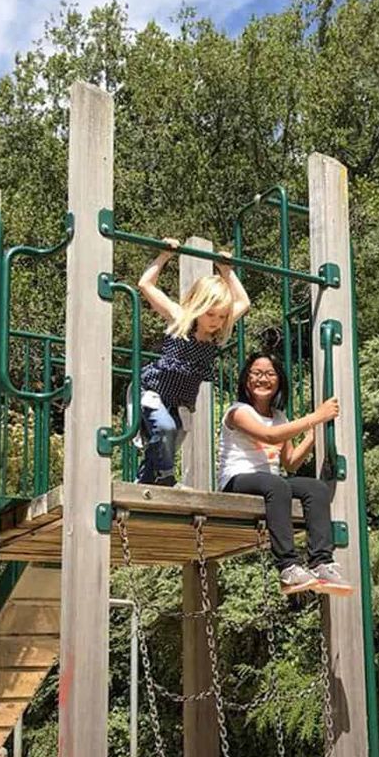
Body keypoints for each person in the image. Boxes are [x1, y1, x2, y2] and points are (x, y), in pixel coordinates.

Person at [217, 351, 353, 597]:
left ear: (278, 381)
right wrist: (315, 416)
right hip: (237, 479)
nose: (262, 379)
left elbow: (289, 462)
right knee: (277, 484)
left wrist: (312, 437)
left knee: (316, 488)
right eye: (256, 373)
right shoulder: (237, 412)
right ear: (246, 381)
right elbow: (269, 437)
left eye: (269, 374)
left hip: (270, 483)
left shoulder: (279, 417)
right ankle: (288, 567)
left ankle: (321, 562)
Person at [132, 239, 250, 485]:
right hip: (151, 391)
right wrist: (164, 256)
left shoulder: (218, 333)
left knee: (167, 444)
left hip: (179, 402)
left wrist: (226, 271)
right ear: (198, 306)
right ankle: (166, 480)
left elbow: (244, 302)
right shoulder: (180, 319)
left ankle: (144, 483)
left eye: (221, 316)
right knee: (164, 430)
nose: (216, 321)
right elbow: (145, 284)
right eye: (210, 314)